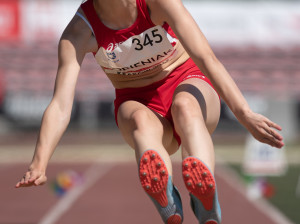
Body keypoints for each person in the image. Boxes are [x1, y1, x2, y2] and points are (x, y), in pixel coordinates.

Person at [15, 0, 284, 223]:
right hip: (136, 98)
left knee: (185, 108)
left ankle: (205, 198)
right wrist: (39, 162)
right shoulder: (79, 32)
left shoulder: (158, 3)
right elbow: (61, 104)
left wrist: (243, 113)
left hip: (187, 80)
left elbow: (205, 57)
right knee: (140, 120)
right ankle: (166, 200)